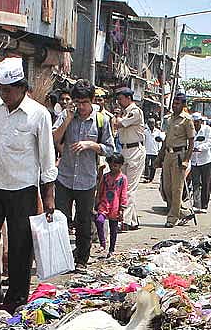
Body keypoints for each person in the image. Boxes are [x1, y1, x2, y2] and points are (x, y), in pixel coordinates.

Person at [0, 57, 57, 314]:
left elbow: (46, 156)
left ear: (22, 88)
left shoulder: (38, 114)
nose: (4, 94)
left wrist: (49, 195)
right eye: (0, 89)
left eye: (8, 90)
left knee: (21, 244)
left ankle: (16, 297)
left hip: (23, 188)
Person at [53, 79, 113, 269]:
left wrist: (91, 145)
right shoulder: (66, 115)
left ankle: (81, 259)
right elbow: (53, 138)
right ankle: (60, 257)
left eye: (85, 103)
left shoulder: (101, 120)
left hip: (87, 179)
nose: (81, 107)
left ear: (92, 100)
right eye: (78, 103)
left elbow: (110, 149)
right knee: (61, 219)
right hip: (64, 176)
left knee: (84, 220)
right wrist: (69, 118)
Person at [112, 87, 145, 230]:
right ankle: (133, 220)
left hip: (135, 151)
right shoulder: (125, 113)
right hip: (124, 150)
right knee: (124, 186)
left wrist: (116, 117)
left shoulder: (135, 111)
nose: (119, 102)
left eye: (120, 99)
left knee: (129, 188)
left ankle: (123, 221)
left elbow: (119, 124)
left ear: (128, 98)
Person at [161, 93, 195, 227]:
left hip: (179, 155)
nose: (174, 106)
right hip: (168, 155)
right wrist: (159, 157)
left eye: (177, 103)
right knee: (166, 188)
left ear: (183, 105)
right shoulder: (169, 119)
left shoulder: (187, 120)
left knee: (177, 188)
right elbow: (166, 139)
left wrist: (186, 160)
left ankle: (172, 218)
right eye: (173, 103)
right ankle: (183, 212)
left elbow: (191, 142)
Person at [95, 153, 128, 258]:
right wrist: (97, 202)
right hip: (104, 204)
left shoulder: (123, 179)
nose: (113, 167)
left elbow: (123, 194)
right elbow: (100, 190)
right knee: (99, 221)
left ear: (121, 165)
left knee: (113, 229)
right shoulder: (105, 177)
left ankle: (111, 249)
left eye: (116, 165)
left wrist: (122, 208)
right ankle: (102, 242)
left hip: (115, 206)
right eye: (111, 164)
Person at [189, 113, 211, 213]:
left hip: (205, 160)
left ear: (200, 121)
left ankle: (204, 205)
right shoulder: (190, 130)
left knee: (205, 184)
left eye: (197, 122)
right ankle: (196, 204)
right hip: (194, 161)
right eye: (194, 122)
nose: (196, 124)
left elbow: (210, 142)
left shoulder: (207, 129)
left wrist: (200, 148)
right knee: (195, 183)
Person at [143, 117, 162, 182]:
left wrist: (159, 149)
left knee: (154, 165)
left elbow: (159, 142)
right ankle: (147, 177)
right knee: (147, 165)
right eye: (150, 123)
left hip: (155, 151)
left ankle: (151, 178)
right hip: (147, 150)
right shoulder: (145, 132)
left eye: (152, 123)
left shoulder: (158, 131)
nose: (151, 125)